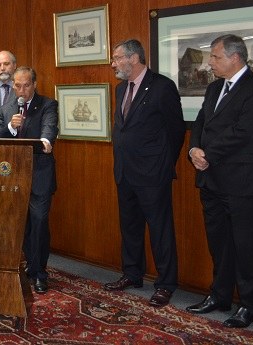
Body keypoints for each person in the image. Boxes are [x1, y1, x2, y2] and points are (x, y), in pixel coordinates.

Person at [186, 34, 253, 328]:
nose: (210, 62)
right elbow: (200, 123)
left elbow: (243, 132)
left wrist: (208, 153)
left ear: (235, 58)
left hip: (241, 182)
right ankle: (219, 296)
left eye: (215, 57)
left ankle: (249, 306)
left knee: (245, 245)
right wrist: (194, 149)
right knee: (219, 243)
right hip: (211, 179)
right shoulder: (214, 88)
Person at [102, 39, 185, 308]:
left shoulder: (162, 86)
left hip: (153, 174)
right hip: (125, 172)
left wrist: (163, 164)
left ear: (134, 58)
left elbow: (175, 131)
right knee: (130, 227)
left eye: (117, 58)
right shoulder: (119, 89)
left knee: (160, 230)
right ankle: (132, 274)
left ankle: (166, 283)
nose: (113, 63)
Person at [0, 66, 59, 294]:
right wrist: (11, 127)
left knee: (39, 222)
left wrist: (46, 141)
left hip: (39, 175)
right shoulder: (7, 109)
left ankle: (40, 273)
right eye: (17, 86)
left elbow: (49, 130)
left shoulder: (48, 104)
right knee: (22, 225)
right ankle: (29, 264)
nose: (21, 90)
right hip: (13, 177)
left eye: (26, 85)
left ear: (34, 84)